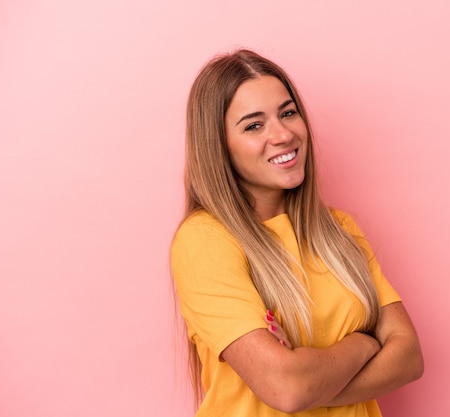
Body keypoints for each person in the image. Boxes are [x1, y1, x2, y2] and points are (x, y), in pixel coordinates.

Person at [170, 48, 423, 417]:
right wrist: (365, 343)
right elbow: (286, 388)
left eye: (288, 113)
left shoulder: (338, 231)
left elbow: (409, 356)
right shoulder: (205, 241)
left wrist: (310, 382)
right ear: (219, 147)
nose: (283, 134)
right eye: (254, 125)